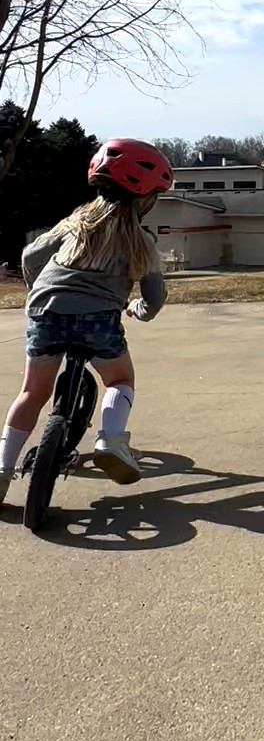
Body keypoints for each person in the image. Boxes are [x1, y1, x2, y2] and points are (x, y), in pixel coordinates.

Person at [0, 138, 172, 500]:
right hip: (98, 321)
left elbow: (31, 256)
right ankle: (110, 440)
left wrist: (40, 292)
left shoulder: (74, 223)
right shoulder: (142, 241)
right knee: (120, 379)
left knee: (32, 393)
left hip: (45, 312)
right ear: (147, 199)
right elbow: (154, 299)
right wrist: (138, 311)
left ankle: (1, 471)